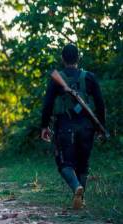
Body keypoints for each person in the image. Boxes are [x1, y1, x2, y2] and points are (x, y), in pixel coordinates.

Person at [41, 44, 106, 209]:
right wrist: (101, 127)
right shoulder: (89, 77)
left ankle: (76, 187)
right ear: (79, 58)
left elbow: (48, 104)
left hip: (65, 127)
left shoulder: (57, 78)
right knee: (83, 164)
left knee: (64, 164)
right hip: (87, 128)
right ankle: (81, 198)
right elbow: (100, 104)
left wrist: (44, 126)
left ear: (62, 58)